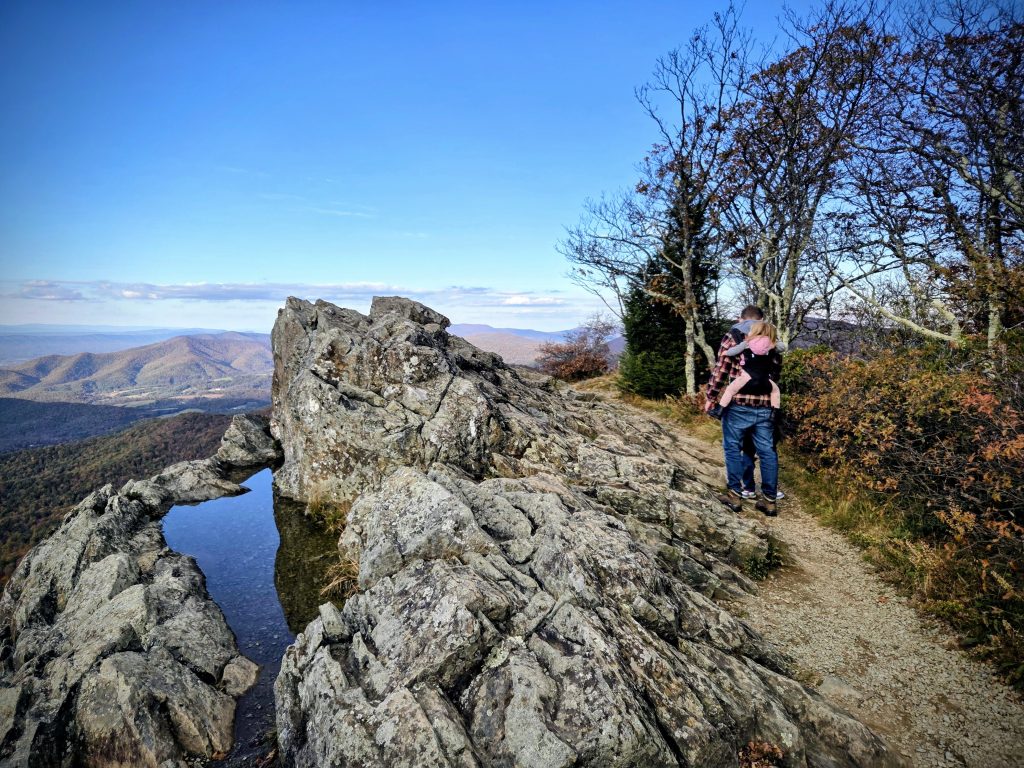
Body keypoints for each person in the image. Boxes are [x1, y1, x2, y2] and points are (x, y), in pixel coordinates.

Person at [704, 306, 782, 516]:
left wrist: (711, 397)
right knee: (767, 451)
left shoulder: (734, 336)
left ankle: (735, 495)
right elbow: (775, 371)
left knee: (732, 447)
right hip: (766, 405)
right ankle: (769, 501)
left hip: (738, 404)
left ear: (741, 318)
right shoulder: (771, 336)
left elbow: (721, 368)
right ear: (761, 319)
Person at [719, 321, 786, 409]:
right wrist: (774, 341)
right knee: (775, 391)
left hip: (746, 377)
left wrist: (726, 352)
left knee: (730, 390)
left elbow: (734, 351)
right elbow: (783, 347)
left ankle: (720, 410)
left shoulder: (746, 343)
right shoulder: (771, 345)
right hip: (764, 379)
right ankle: (775, 414)